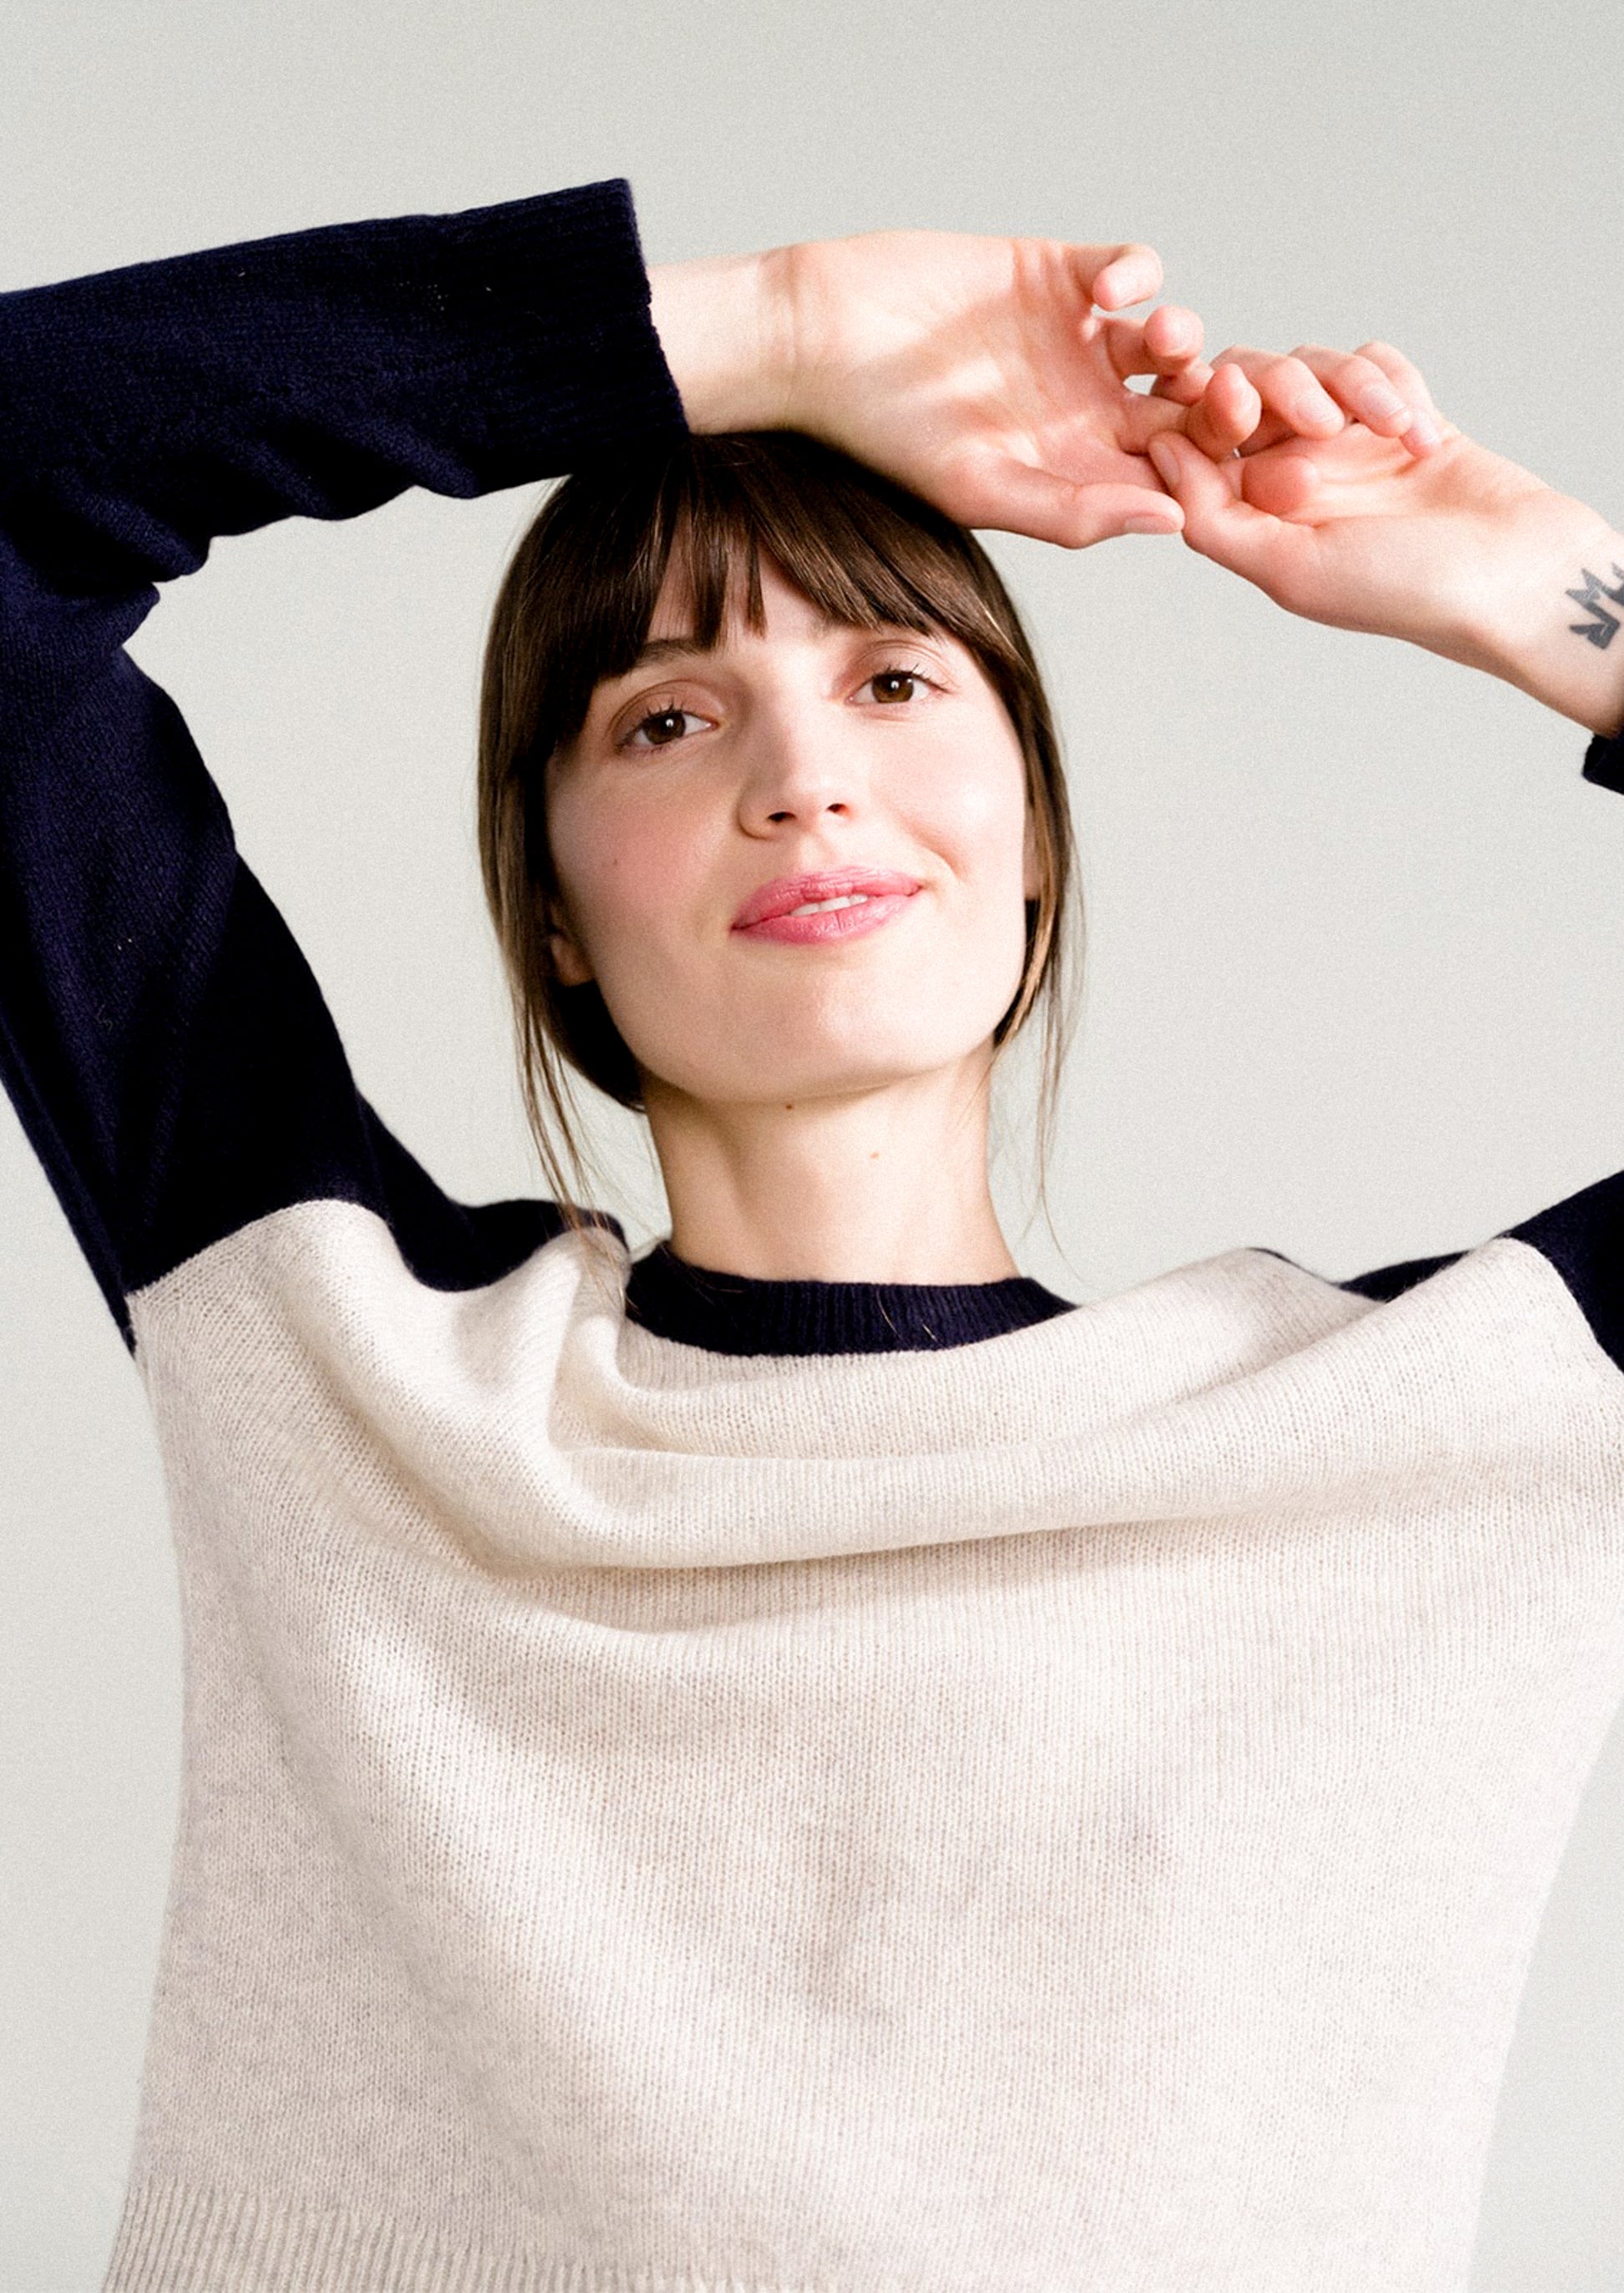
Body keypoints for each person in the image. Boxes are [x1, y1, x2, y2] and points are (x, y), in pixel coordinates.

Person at [2, 176, 1620, 2293]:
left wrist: (1554, 596)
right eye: (667, 717)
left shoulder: (1434, 1421)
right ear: (557, 915)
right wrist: (763, 329)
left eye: (892, 684)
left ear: (1029, 832)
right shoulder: (347, 1360)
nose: (802, 781)